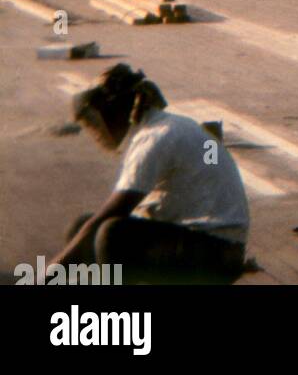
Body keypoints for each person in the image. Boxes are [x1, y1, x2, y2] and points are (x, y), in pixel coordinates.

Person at [52, 64, 249, 285]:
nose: (96, 133)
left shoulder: (153, 138)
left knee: (111, 235)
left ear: (115, 112)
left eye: (96, 122)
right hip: (210, 243)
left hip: (218, 252)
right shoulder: (167, 125)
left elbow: (113, 212)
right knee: (82, 227)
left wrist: (48, 273)